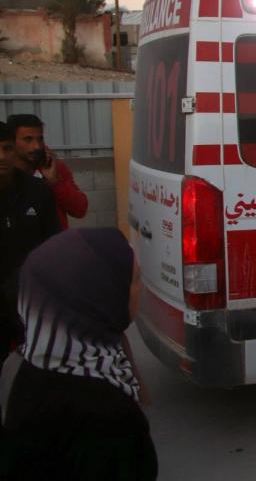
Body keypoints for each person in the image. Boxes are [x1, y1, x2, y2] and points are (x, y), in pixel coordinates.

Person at [0, 228, 157, 480]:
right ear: (102, 298)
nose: (142, 290)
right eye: (135, 280)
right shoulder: (112, 419)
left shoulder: (16, 364)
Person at [0, 121, 60, 370]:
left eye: (7, 148)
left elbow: (53, 246)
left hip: (31, 301)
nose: (2, 157)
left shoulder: (37, 191)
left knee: (36, 368)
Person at [7, 114, 88, 229]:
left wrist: (55, 183)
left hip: (55, 244)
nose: (36, 146)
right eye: (28, 139)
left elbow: (80, 210)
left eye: (40, 139)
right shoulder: (6, 174)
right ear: (12, 142)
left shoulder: (55, 169)